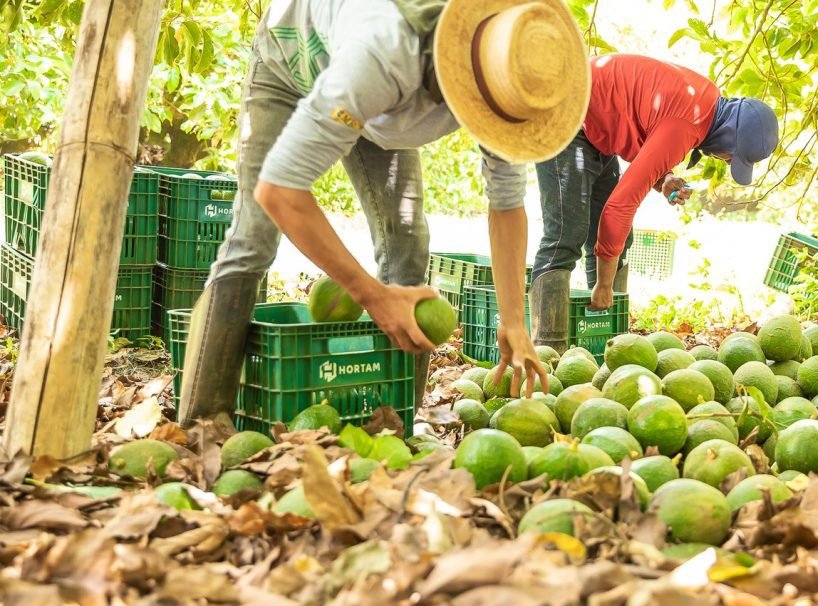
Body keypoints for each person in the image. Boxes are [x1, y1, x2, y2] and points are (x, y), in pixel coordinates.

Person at [177, 0, 589, 426]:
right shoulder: (383, 52)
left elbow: (506, 205)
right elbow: (279, 192)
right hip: (293, 66)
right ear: (462, 77)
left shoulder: (506, 86)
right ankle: (202, 424)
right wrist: (371, 296)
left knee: (406, 246)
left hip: (378, 108)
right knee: (253, 241)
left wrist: (514, 321)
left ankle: (395, 421)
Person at [528, 54, 779, 351]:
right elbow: (620, 207)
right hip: (562, 110)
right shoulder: (689, 124)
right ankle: (547, 351)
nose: (725, 160)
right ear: (728, 136)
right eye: (730, 155)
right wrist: (604, 285)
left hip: (594, 124)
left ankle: (607, 348)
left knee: (618, 240)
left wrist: (663, 177)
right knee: (565, 234)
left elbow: (637, 128)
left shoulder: (706, 101)